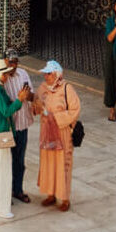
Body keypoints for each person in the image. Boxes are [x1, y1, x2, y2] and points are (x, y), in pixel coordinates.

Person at [0, 58, 32, 220]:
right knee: (1, 171)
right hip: (1, 134)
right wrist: (20, 100)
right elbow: (6, 111)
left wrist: (18, 98)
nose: (6, 77)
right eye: (4, 74)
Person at [32, 60, 81, 211]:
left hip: (62, 132)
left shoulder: (67, 89)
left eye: (48, 74)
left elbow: (75, 110)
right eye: (45, 74)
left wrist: (56, 118)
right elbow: (36, 106)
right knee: (48, 161)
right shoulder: (43, 88)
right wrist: (36, 106)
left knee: (63, 163)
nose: (46, 77)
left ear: (56, 75)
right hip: (47, 132)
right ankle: (51, 194)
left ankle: (64, 198)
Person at [3, 49, 36, 204]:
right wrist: (18, 99)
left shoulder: (22, 74)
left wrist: (27, 95)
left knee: (19, 160)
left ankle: (18, 190)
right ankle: (4, 192)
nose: (13, 65)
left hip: (22, 124)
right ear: (4, 61)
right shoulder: (1, 78)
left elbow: (32, 96)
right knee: (5, 161)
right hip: (8, 126)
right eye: (11, 62)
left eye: (15, 62)